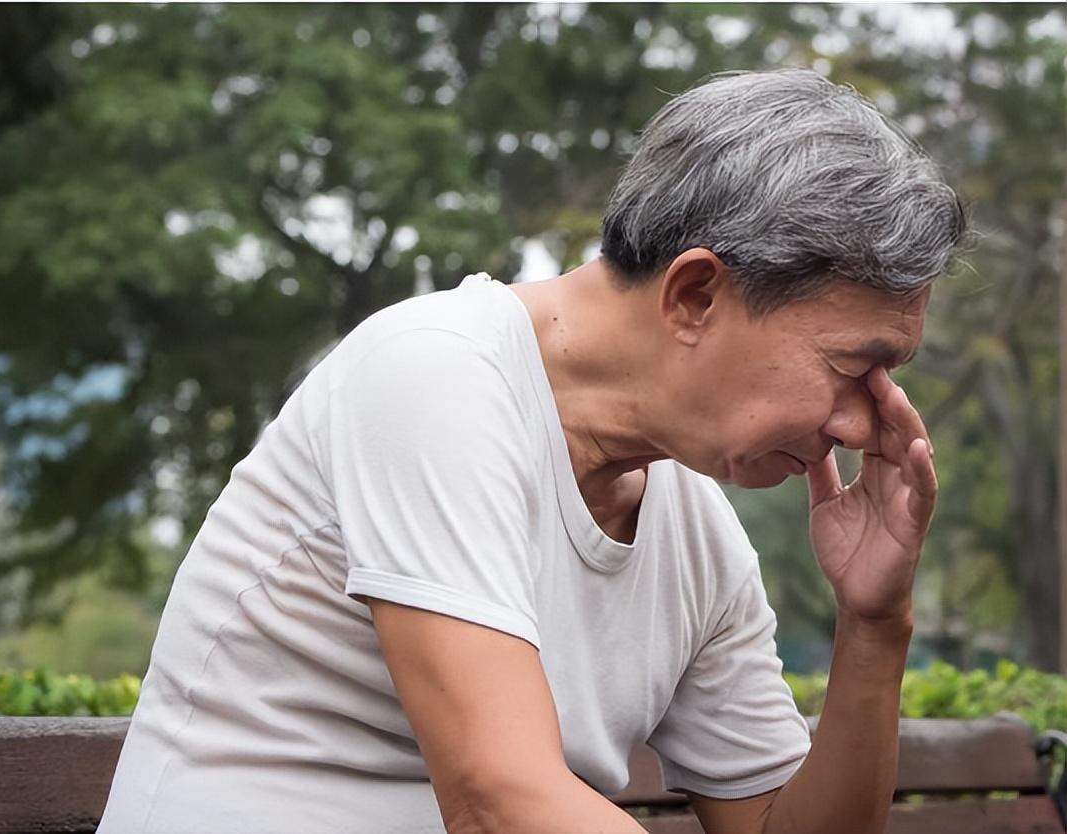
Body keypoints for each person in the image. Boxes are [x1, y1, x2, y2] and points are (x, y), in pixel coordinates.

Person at [97, 68, 966, 834]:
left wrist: (874, 625)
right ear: (695, 295)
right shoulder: (436, 376)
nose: (865, 424)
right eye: (854, 368)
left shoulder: (694, 530)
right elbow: (496, 801)